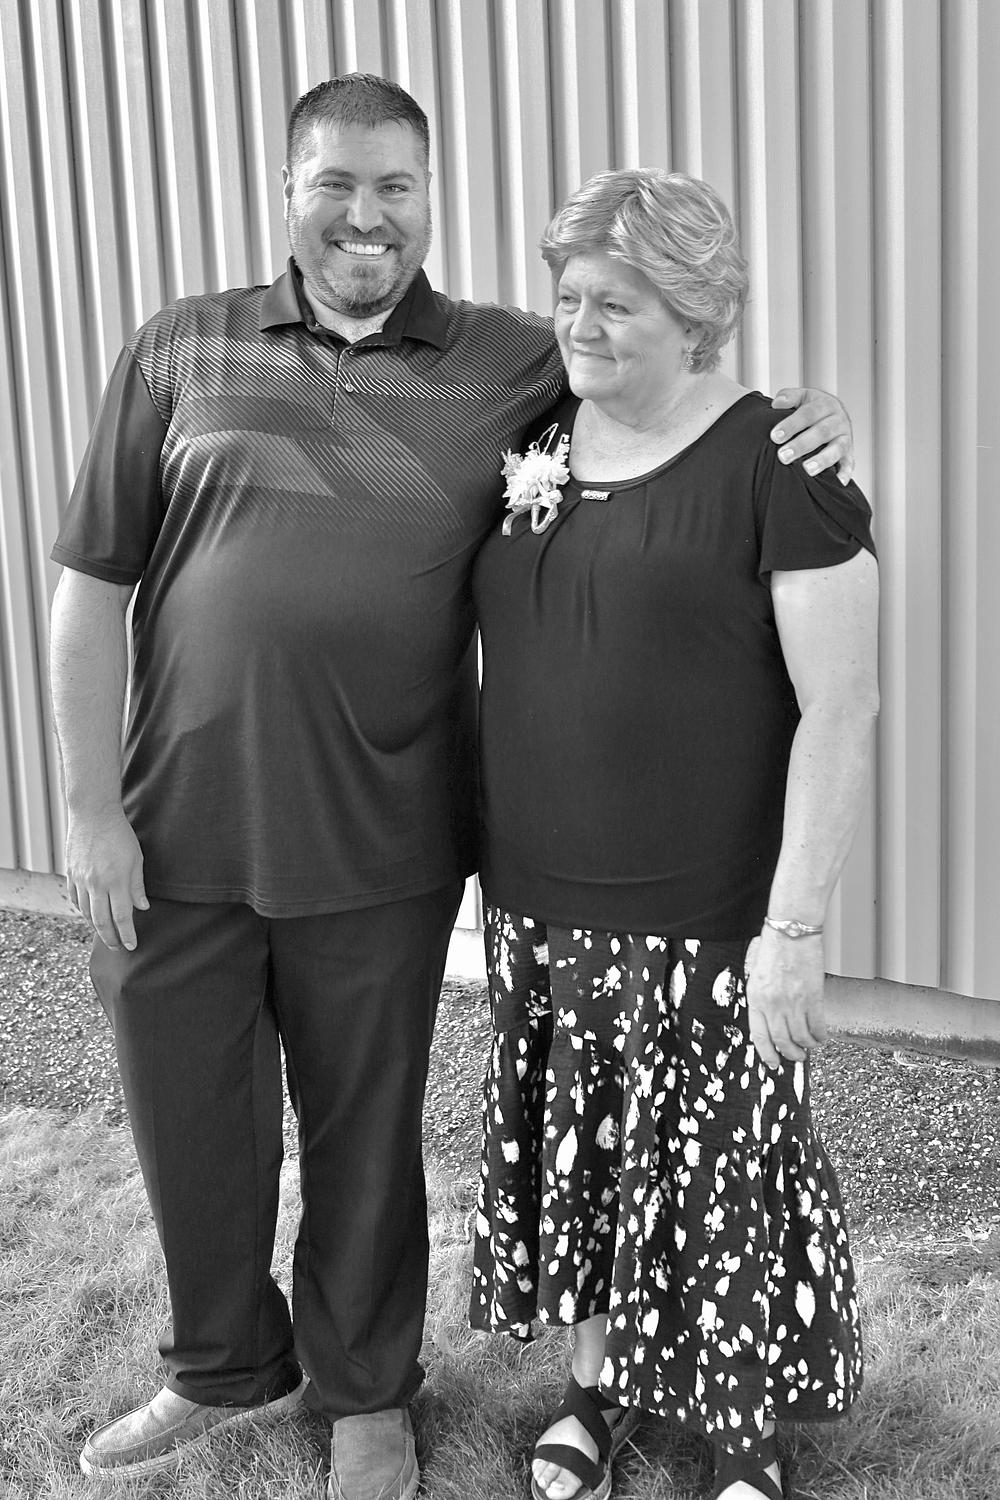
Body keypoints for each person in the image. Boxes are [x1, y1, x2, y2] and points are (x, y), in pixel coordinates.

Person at [48, 72, 855, 1500]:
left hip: (385, 836)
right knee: (189, 1123)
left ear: (429, 199)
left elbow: (668, 370)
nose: (365, 215)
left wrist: (811, 410)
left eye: (395, 187)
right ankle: (220, 1365)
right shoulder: (178, 347)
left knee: (365, 1132)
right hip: (177, 828)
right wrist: (89, 814)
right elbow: (91, 586)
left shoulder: (512, 363)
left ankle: (366, 1389)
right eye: (335, 183)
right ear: (287, 192)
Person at [469, 168, 878, 1500]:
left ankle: (743, 1437)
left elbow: (842, 710)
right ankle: (595, 1394)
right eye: (569, 295)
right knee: (588, 1167)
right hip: (541, 902)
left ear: (699, 318)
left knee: (718, 1184)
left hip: (705, 917)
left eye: (619, 304)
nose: (580, 325)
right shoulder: (534, 437)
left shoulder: (781, 465)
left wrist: (795, 927)